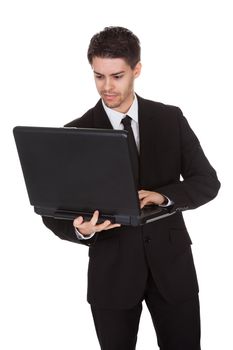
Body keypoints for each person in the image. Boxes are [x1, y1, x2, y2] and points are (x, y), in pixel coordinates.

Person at [42, 26, 220, 350]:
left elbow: (207, 182)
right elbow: (53, 213)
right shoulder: (76, 132)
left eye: (117, 76)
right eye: (98, 76)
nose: (106, 87)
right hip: (112, 275)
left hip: (172, 269)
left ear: (136, 70)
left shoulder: (169, 118)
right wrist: (82, 230)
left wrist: (164, 197)